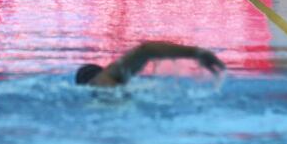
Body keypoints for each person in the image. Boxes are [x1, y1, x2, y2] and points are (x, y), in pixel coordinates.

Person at [75, 41, 225, 87]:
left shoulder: (96, 86)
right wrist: (196, 53)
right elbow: (147, 50)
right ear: (107, 69)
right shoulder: (108, 77)